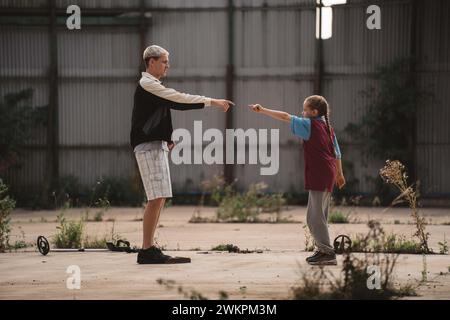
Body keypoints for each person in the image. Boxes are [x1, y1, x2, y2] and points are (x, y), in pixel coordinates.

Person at [131, 45, 234, 264]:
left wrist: (166, 138)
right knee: (155, 197)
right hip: (147, 146)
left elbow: (156, 114)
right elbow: (178, 100)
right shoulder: (148, 84)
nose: (168, 65)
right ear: (151, 62)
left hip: (155, 144)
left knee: (160, 197)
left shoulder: (153, 86)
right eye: (164, 61)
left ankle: (149, 248)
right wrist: (211, 101)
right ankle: (147, 249)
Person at [250, 95, 345, 265]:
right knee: (320, 215)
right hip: (328, 172)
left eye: (305, 110)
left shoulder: (309, 124)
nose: (302, 112)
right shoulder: (327, 127)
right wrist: (339, 174)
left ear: (314, 112)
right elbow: (337, 152)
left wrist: (263, 110)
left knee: (314, 217)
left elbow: (285, 117)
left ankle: (327, 252)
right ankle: (323, 250)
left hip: (319, 172)